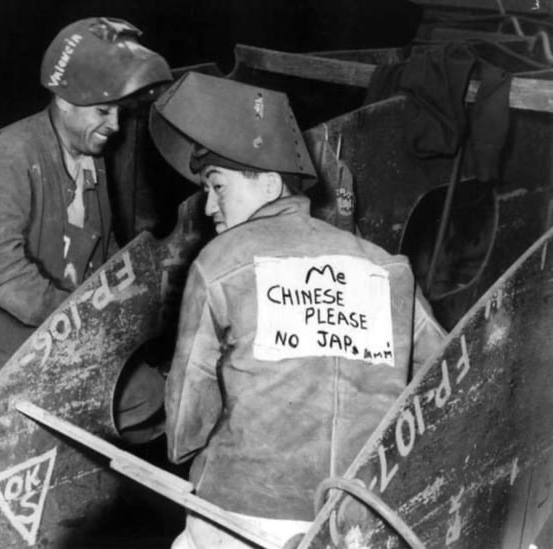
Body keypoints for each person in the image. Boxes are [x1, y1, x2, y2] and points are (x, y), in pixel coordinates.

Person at [149, 72, 446, 548]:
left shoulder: (220, 262)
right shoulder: (386, 266)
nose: (208, 207)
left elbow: (186, 424)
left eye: (218, 187)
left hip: (243, 512)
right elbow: (444, 370)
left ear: (268, 184)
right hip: (360, 513)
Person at [0, 17, 172, 403]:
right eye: (103, 111)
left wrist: (130, 291)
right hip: (3, 337)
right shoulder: (11, 156)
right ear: (65, 101)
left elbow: (99, 246)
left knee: (153, 399)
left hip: (64, 326)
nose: (115, 125)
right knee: (51, 435)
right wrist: (81, 317)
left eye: (120, 111)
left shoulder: (89, 150)